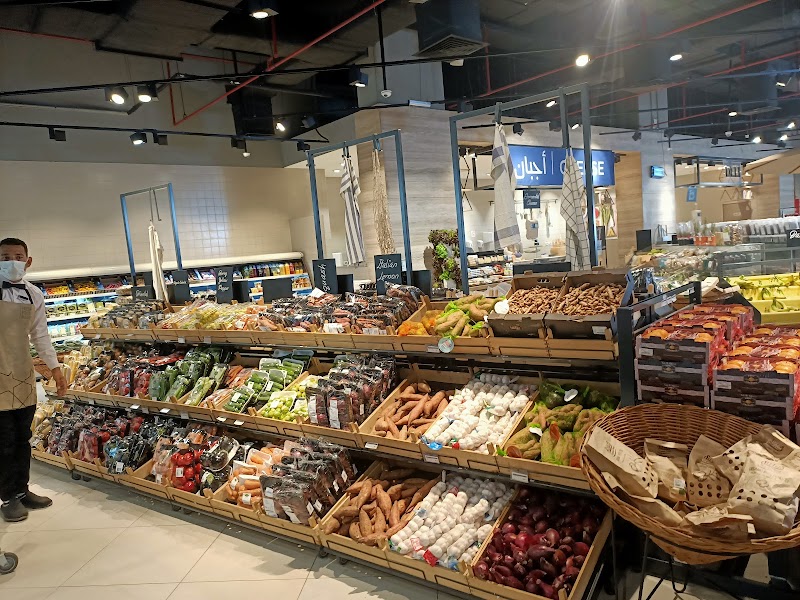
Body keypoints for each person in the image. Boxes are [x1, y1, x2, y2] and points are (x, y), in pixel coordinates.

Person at [0, 237, 66, 522]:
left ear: (28, 262)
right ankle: (8, 498)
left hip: (22, 372)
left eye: (17, 256)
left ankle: (22, 489)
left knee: (23, 437)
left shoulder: (33, 294)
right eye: (5, 257)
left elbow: (40, 335)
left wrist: (55, 369)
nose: (11, 262)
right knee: (4, 440)